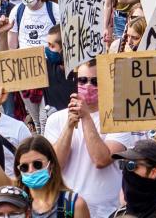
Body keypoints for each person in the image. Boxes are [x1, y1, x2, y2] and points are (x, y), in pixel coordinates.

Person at [0, 90, 90, 218]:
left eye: (37, 164)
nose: (31, 170)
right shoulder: (15, 195)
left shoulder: (72, 205)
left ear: (51, 165)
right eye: (24, 167)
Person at [44, 60, 134, 218]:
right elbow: (54, 166)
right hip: (66, 208)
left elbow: (101, 159)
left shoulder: (119, 119)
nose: (88, 85)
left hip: (106, 211)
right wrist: (69, 126)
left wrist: (86, 117)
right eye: (82, 80)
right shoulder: (55, 119)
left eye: (95, 81)